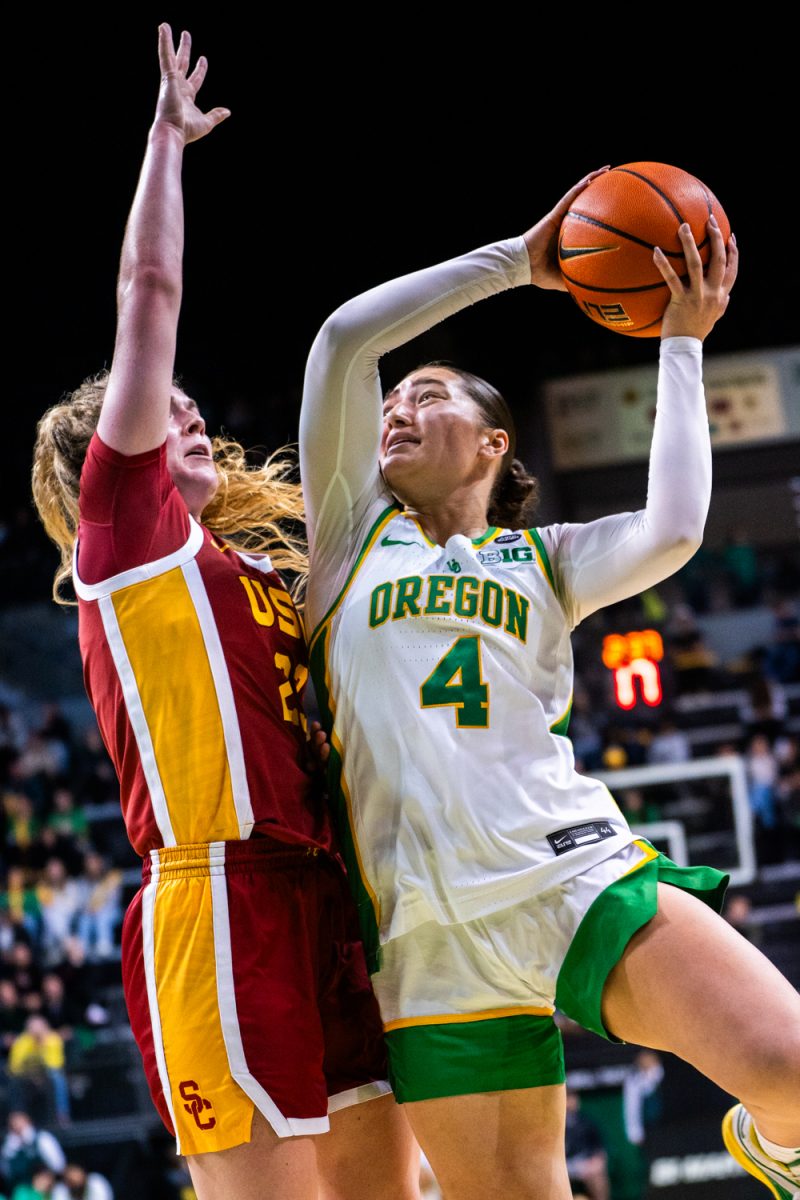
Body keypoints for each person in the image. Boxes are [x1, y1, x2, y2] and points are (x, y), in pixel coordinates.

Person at [300, 177, 800, 1199]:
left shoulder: (546, 561)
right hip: (425, 940)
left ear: (493, 443)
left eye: (427, 394)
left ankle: (777, 1142)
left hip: (565, 872)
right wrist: (514, 262)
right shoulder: (350, 539)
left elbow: (671, 528)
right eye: (393, 401)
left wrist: (680, 341)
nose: (396, 404)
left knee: (791, 1071)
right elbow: (345, 341)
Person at [31, 25, 416, 1200]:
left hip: (326, 901)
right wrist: (165, 147)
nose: (189, 418)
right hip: (218, 902)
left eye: (196, 409)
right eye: (168, 411)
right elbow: (148, 291)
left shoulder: (253, 574)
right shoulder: (127, 536)